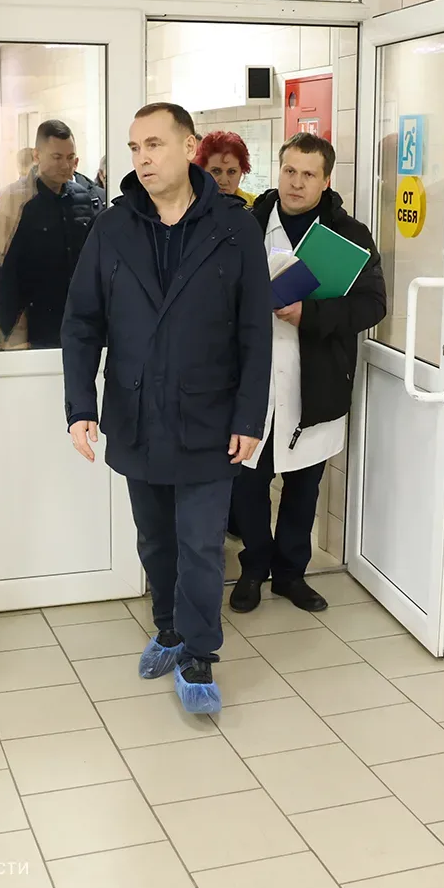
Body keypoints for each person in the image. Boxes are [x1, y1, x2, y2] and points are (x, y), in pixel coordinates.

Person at [63, 102, 271, 714]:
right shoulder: (113, 226)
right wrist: (81, 405)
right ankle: (171, 629)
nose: (143, 158)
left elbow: (254, 331)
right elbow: (82, 322)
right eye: (135, 147)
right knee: (155, 541)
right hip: (136, 414)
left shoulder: (233, 228)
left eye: (154, 144)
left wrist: (249, 417)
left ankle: (200, 653)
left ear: (188, 146)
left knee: (201, 543)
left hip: (210, 417)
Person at [229, 133, 387, 614]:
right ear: (278, 172)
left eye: (308, 174)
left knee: (303, 486)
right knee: (248, 482)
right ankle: (254, 568)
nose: (296, 183)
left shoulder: (348, 235)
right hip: (253, 381)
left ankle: (291, 574)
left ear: (326, 180)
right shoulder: (246, 224)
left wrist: (310, 314)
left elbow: (373, 304)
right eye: (289, 171)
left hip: (314, 381)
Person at [0, 121, 104, 348]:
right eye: (57, 157)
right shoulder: (14, 201)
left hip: (78, 322)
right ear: (37, 155)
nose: (65, 165)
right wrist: (10, 336)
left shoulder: (83, 199)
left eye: (71, 158)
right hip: (30, 329)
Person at [195, 130, 258, 207]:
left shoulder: (256, 206)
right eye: (216, 171)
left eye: (232, 171)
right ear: (202, 171)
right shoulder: (189, 206)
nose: (224, 182)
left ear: (241, 172)